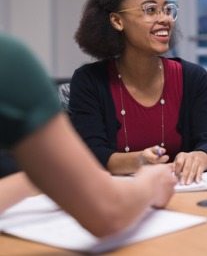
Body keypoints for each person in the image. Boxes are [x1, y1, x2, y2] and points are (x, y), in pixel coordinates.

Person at [0, 33, 176, 236]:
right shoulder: (9, 61)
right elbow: (110, 212)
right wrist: (152, 181)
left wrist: (48, 176)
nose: (164, 19)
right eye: (150, 10)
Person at [70, 0, 207, 185]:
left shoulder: (193, 78)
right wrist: (140, 160)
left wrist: (199, 157)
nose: (165, 19)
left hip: (183, 196)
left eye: (166, 9)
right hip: (117, 199)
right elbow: (90, 154)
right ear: (117, 21)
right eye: (151, 10)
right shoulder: (89, 81)